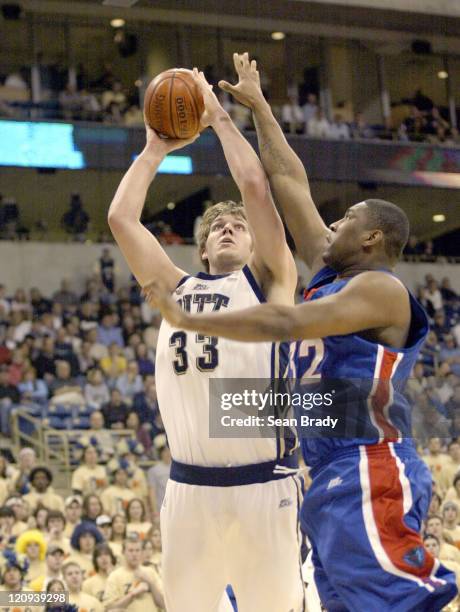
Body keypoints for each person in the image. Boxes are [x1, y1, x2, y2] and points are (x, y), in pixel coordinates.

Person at [145, 52, 458, 611]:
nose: (330, 223)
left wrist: (190, 318)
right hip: (324, 461)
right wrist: (253, 107)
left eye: (347, 220)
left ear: (372, 239)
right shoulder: (333, 267)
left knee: (396, 603)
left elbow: (287, 321)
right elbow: (288, 180)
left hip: (367, 463)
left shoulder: (380, 290)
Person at [108, 67, 303, 612]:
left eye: (237, 226)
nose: (227, 227)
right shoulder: (174, 286)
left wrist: (217, 118)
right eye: (217, 226)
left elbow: (256, 186)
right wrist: (152, 151)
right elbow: (121, 218)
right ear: (202, 249)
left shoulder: (268, 281)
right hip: (189, 489)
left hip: (263, 485)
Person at [103, 535, 164, 612]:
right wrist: (133, 594)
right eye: (131, 550)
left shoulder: (151, 572)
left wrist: (150, 583)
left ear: (142, 552)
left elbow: (164, 604)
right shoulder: (115, 576)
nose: (134, 554)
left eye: (137, 550)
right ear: (123, 552)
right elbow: (109, 608)